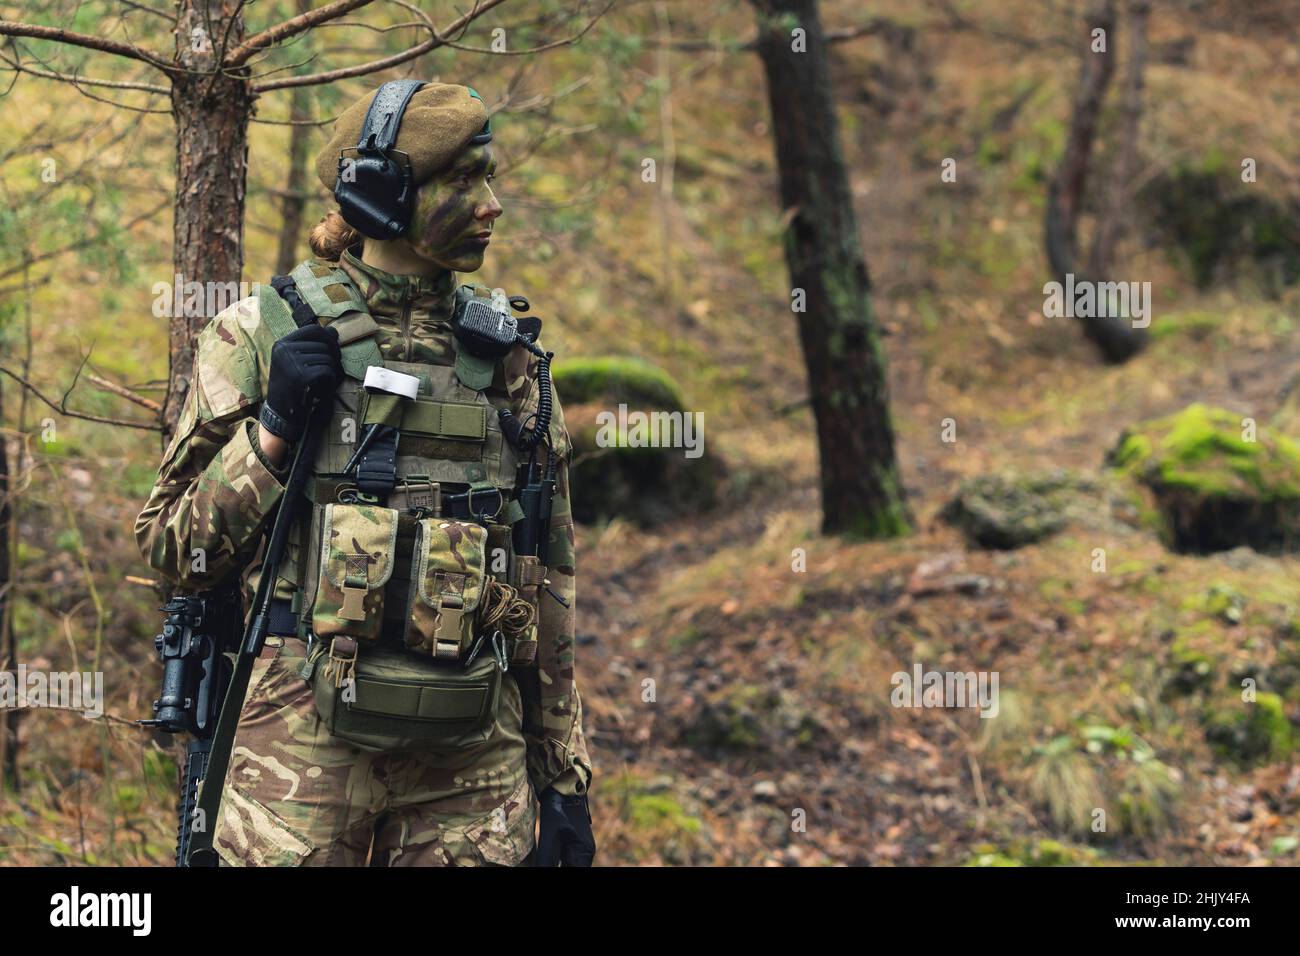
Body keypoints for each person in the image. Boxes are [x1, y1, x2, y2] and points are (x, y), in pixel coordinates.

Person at [135, 80, 594, 867]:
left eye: (489, 179)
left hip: (471, 766)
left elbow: (548, 581)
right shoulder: (262, 332)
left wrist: (563, 779)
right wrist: (273, 432)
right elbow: (173, 547)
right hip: (297, 759)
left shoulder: (511, 355)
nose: (491, 205)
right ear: (386, 196)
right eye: (462, 181)